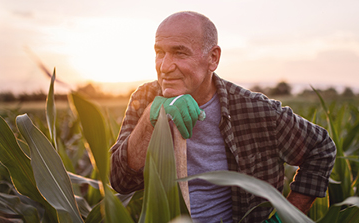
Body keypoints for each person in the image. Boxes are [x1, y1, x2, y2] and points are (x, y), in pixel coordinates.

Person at [109, 11, 336, 223]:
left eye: (179, 52)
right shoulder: (146, 97)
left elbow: (321, 148)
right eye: (160, 52)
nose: (165, 66)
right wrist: (152, 117)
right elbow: (121, 181)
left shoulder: (255, 111)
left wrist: (286, 218)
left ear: (213, 58)